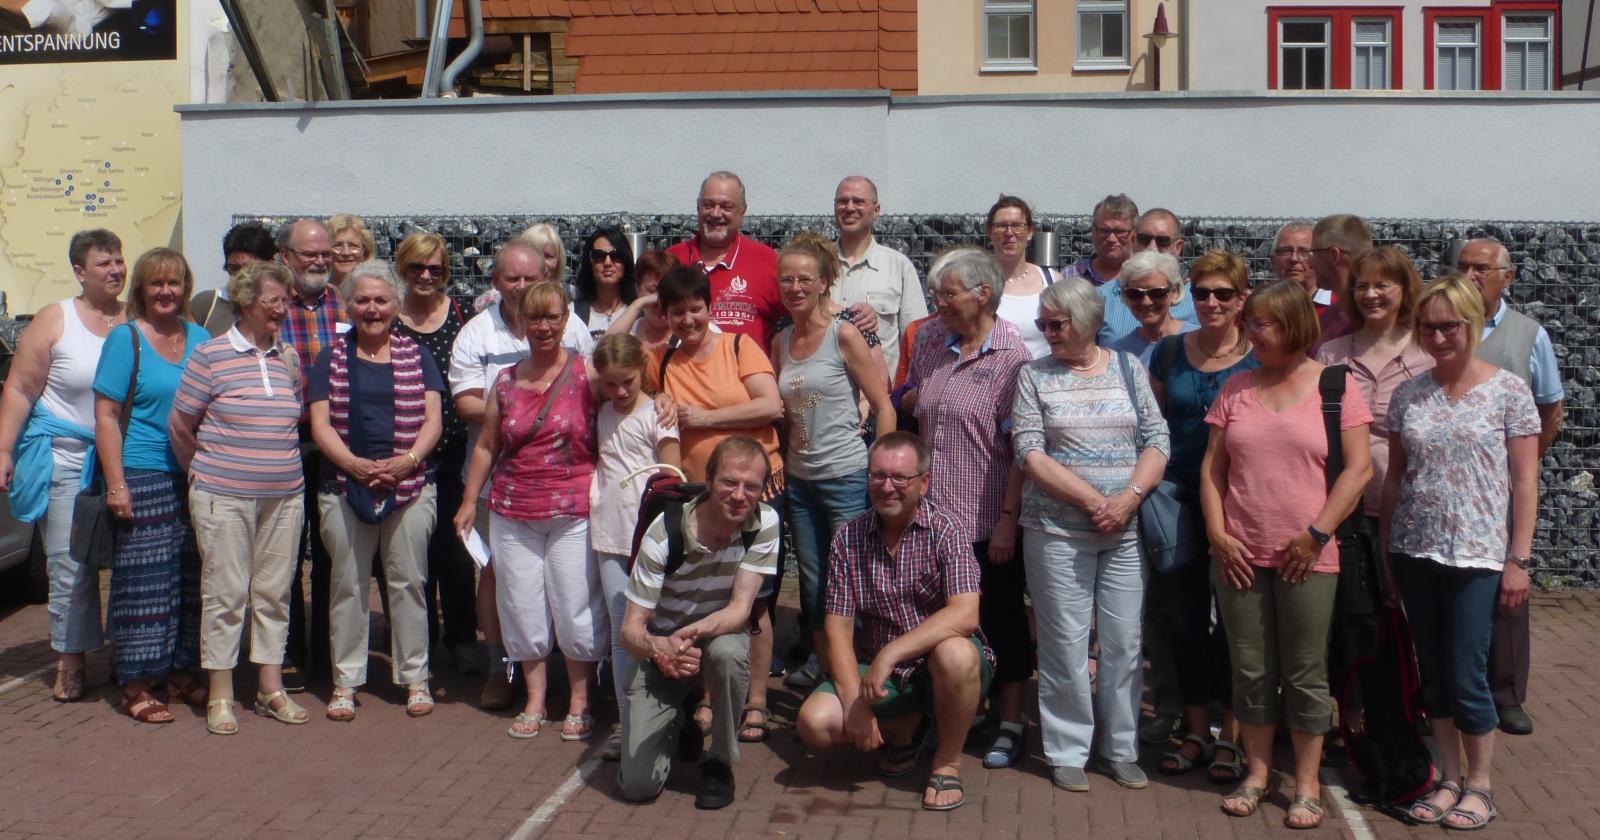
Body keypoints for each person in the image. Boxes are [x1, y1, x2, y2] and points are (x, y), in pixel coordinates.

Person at [1200, 281, 1372, 830]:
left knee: (1304, 671)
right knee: (1250, 669)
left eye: (1262, 323)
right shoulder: (1236, 388)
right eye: (1249, 322)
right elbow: (1212, 470)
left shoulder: (1336, 386)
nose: (1250, 331)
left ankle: (1306, 784)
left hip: (1308, 557)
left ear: (1295, 325)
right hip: (1239, 554)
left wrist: (1317, 533)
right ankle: (1256, 775)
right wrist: (1217, 533)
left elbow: (1359, 470)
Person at [1380, 276, 1540, 831]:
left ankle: (1481, 786)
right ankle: (1448, 778)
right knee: (1433, 672)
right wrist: (1388, 552)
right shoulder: (1408, 394)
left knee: (1468, 671)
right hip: (1415, 551)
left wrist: (1518, 560)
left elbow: (1525, 482)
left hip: (1478, 557)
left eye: (1450, 325)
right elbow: (1396, 477)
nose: (1439, 336)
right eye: (1428, 327)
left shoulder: (1509, 392)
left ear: (1472, 324)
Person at [1011, 277, 1169, 792]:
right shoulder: (1033, 376)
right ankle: (1067, 749)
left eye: (1056, 324)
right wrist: (1095, 502)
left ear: (1086, 322)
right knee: (1064, 643)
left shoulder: (1128, 368)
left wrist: (1129, 498)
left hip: (1124, 531)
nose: (1047, 332)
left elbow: (1157, 439)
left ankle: (1121, 748)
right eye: (1042, 324)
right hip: (1056, 532)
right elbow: (1029, 452)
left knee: (1124, 643)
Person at [794, 432, 993, 811]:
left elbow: (966, 614)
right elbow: (837, 630)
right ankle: (905, 731)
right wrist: (854, 704)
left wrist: (891, 653)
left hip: (941, 667)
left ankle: (947, 763)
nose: (887, 487)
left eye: (900, 477)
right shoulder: (848, 538)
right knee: (814, 724)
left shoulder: (948, 529)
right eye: (878, 475)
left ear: (924, 482)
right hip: (884, 677)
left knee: (955, 654)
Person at [455, 281, 607, 742]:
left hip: (573, 511)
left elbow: (630, 395)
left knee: (574, 606)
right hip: (512, 510)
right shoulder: (505, 381)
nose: (543, 327)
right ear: (521, 322)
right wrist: (469, 501)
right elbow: (487, 445)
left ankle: (579, 701)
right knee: (521, 605)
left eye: (552, 317)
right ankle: (535, 699)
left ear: (566, 320)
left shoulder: (588, 374)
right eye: (534, 317)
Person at [899, 250, 1032, 770]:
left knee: (1001, 618)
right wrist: (912, 400)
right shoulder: (932, 340)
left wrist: (1007, 520)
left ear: (983, 294)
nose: (939, 303)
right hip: (933, 517)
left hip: (985, 517)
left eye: (948, 293)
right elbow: (914, 401)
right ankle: (962, 710)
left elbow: (1021, 449)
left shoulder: (1013, 357)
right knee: (943, 621)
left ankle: (1012, 721)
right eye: (936, 293)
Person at [168, 261, 310, 735]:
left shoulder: (288, 357)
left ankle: (271, 688)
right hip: (222, 495)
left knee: (274, 593)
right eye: (273, 301)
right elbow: (180, 426)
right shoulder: (210, 356)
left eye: (286, 301)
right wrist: (203, 473)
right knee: (225, 594)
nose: (282, 309)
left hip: (284, 497)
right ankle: (221, 694)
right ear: (246, 303)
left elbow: (291, 415)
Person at [647, 263, 785, 743]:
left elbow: (770, 405)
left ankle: (757, 702)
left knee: (756, 604)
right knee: (712, 597)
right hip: (700, 499)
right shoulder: (664, 360)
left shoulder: (739, 346)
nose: (688, 320)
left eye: (696, 309)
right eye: (677, 312)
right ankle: (710, 697)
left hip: (752, 493)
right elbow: (611, 367)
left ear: (710, 307)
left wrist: (704, 418)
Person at [308, 260, 444, 721]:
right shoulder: (329, 358)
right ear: (348, 306)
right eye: (363, 300)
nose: (372, 309)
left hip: (410, 486)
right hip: (344, 485)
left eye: (381, 300)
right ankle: (345, 682)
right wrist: (354, 465)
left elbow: (433, 420)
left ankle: (415, 677)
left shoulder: (418, 355)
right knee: (347, 585)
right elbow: (320, 423)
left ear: (397, 305)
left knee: (408, 583)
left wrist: (407, 462)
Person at [616, 435, 780, 810]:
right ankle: (680, 720)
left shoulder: (764, 522)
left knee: (728, 653)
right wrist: (661, 648)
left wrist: (689, 636)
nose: (739, 495)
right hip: (659, 644)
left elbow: (740, 610)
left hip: (713, 634)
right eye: (729, 482)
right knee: (638, 786)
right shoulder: (664, 533)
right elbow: (630, 632)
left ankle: (720, 762)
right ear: (708, 480)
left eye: (751, 486)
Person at [1145, 249, 1258, 783]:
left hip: (1243, 503)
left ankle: (1232, 734)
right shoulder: (1169, 352)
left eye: (1223, 293)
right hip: (1179, 501)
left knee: (1235, 624)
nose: (1212, 302)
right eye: (1203, 292)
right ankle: (1196, 731)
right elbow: (1152, 427)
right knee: (1185, 620)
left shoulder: (1259, 356)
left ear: (1242, 299)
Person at [0, 228, 126, 702]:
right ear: (79, 271)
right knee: (69, 563)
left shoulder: (136, 318)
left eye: (119, 260)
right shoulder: (56, 319)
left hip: (126, 461)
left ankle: (129, 655)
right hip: (68, 458)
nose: (115, 270)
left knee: (130, 564)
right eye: (103, 263)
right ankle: (70, 660)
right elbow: (20, 388)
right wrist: (3, 449)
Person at [771, 233, 896, 689]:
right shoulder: (781, 342)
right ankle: (827, 671)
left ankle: (860, 670)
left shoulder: (843, 334)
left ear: (824, 282)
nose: (796, 288)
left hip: (846, 477)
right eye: (787, 280)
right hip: (801, 483)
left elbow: (883, 405)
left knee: (853, 579)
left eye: (805, 279)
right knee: (812, 582)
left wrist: (881, 473)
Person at [91, 247, 210, 722]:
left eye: (174, 282)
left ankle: (179, 672)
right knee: (144, 584)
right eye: (156, 282)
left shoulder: (200, 337)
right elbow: (105, 416)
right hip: (143, 472)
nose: (166, 291)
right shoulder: (127, 339)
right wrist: (116, 484)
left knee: (190, 579)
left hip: (195, 474)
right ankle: (137, 683)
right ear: (141, 288)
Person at [1456, 238, 1564, 737]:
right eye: (1462, 266)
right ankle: (1450, 688)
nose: (1470, 275)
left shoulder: (1528, 334)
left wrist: (1523, 466)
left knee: (1509, 586)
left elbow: (1550, 409)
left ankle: (1505, 694)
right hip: (1444, 483)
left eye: (1481, 267)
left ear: (1508, 277)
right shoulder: (1436, 324)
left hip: (1500, 484)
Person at [393, 232, 482, 676]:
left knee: (456, 552)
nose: (427, 276)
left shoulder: (462, 315)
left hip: (454, 454)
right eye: (418, 267)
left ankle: (462, 638)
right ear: (403, 268)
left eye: (436, 268)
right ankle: (421, 640)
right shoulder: (389, 317)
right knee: (413, 555)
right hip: (405, 453)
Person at [590, 333, 681, 761]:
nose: (620, 390)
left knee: (654, 625)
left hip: (648, 535)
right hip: (609, 532)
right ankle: (627, 723)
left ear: (641, 371)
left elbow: (672, 475)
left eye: (627, 381)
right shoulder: (601, 409)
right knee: (619, 628)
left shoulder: (658, 414)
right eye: (611, 383)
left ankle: (663, 717)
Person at [1314, 246, 1432, 526]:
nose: (1370, 295)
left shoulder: (1427, 355)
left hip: (1411, 506)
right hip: (1342, 508)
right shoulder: (1331, 354)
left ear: (1405, 289)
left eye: (1382, 285)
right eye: (1361, 286)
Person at [276, 217, 345, 692]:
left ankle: (325, 650)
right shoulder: (271, 306)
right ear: (285, 257)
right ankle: (287, 652)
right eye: (309, 254)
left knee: (330, 552)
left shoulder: (346, 302)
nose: (320, 261)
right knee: (283, 553)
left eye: (326, 253)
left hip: (335, 444)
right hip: (284, 442)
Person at [666, 170, 783, 348]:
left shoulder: (768, 262)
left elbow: (796, 324)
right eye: (708, 205)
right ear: (697, 206)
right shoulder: (671, 260)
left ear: (742, 211)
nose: (716, 213)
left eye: (726, 207)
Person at [830, 175, 927, 374]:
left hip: (879, 389)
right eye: (842, 201)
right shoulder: (815, 264)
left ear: (876, 210)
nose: (849, 208)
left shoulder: (898, 267)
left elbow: (916, 339)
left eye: (858, 201)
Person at [1096, 208, 1199, 345]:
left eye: (1162, 241)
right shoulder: (1101, 298)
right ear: (1133, 240)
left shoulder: (1200, 299)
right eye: (1144, 239)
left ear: (1178, 247)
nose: (1152, 247)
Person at [987, 195, 1055, 359]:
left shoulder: (1052, 280)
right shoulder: (976, 282)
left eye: (1017, 226)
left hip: (1042, 373)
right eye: (1001, 226)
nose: (1009, 233)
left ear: (1030, 232)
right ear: (990, 232)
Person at [1105, 250, 1197, 365]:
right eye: (1135, 294)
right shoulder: (1118, 354)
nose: (1146, 302)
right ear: (1125, 296)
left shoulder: (1199, 340)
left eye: (1157, 293)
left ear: (1174, 292)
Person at [191, 221, 276, 337]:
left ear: (270, 266)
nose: (241, 276)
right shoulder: (205, 304)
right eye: (234, 268)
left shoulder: (279, 309)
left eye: (249, 269)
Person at [1309, 214, 1373, 348]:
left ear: (1334, 255)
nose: (1310, 263)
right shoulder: (1378, 315)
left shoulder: (1370, 319)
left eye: (1313, 253)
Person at [605, 249, 681, 356]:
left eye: (667, 291)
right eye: (652, 291)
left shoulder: (689, 332)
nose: (660, 301)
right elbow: (604, 350)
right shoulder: (628, 330)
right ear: (637, 289)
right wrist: (638, 304)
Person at [1061, 194, 1139, 287]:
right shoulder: (1070, 277)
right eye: (1104, 231)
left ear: (1134, 233)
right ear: (1093, 231)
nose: (1111, 239)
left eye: (1119, 232)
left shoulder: (1146, 277)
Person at [573, 226, 637, 338]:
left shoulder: (640, 313)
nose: (607, 263)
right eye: (599, 256)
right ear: (589, 263)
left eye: (616, 255)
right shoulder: (573, 314)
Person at [1269, 221, 1328, 310]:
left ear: (1320, 260)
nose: (1294, 258)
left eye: (1304, 252)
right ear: (1273, 260)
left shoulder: (1341, 308)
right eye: (1285, 251)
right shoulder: (1263, 308)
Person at [326, 213, 376, 289]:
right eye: (337, 246)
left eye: (353, 246)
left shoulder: (378, 291)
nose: (346, 252)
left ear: (365, 253)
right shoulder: (315, 292)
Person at [520, 222, 568, 286]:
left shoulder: (571, 292)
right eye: (534, 255)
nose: (541, 263)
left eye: (547, 256)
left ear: (559, 259)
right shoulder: (510, 291)